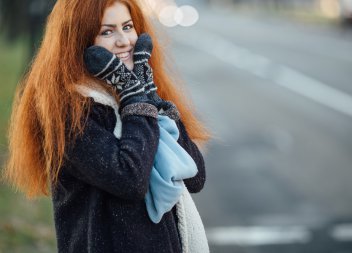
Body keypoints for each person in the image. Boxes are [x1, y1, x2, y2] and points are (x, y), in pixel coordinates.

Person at [3, 0, 210, 252]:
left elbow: (195, 176)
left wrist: (150, 98)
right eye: (107, 31)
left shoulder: (131, 96)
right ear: (80, 42)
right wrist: (135, 98)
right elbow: (130, 179)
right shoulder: (71, 111)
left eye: (127, 27)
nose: (124, 41)